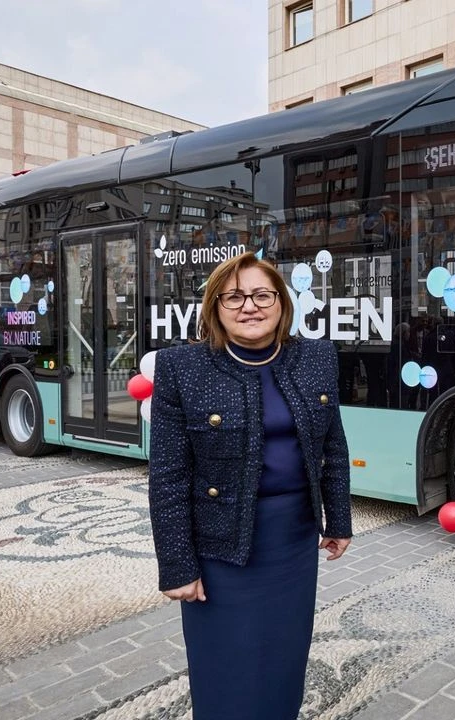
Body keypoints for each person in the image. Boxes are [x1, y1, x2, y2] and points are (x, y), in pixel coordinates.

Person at [147, 252, 352, 720]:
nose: (249, 306)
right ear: (215, 308)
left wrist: (338, 519)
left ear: (281, 303)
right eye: (234, 296)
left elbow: (333, 446)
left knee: (284, 658)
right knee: (227, 666)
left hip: (293, 540)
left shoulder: (316, 357)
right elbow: (168, 476)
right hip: (221, 548)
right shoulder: (183, 369)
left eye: (262, 294)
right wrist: (177, 565)